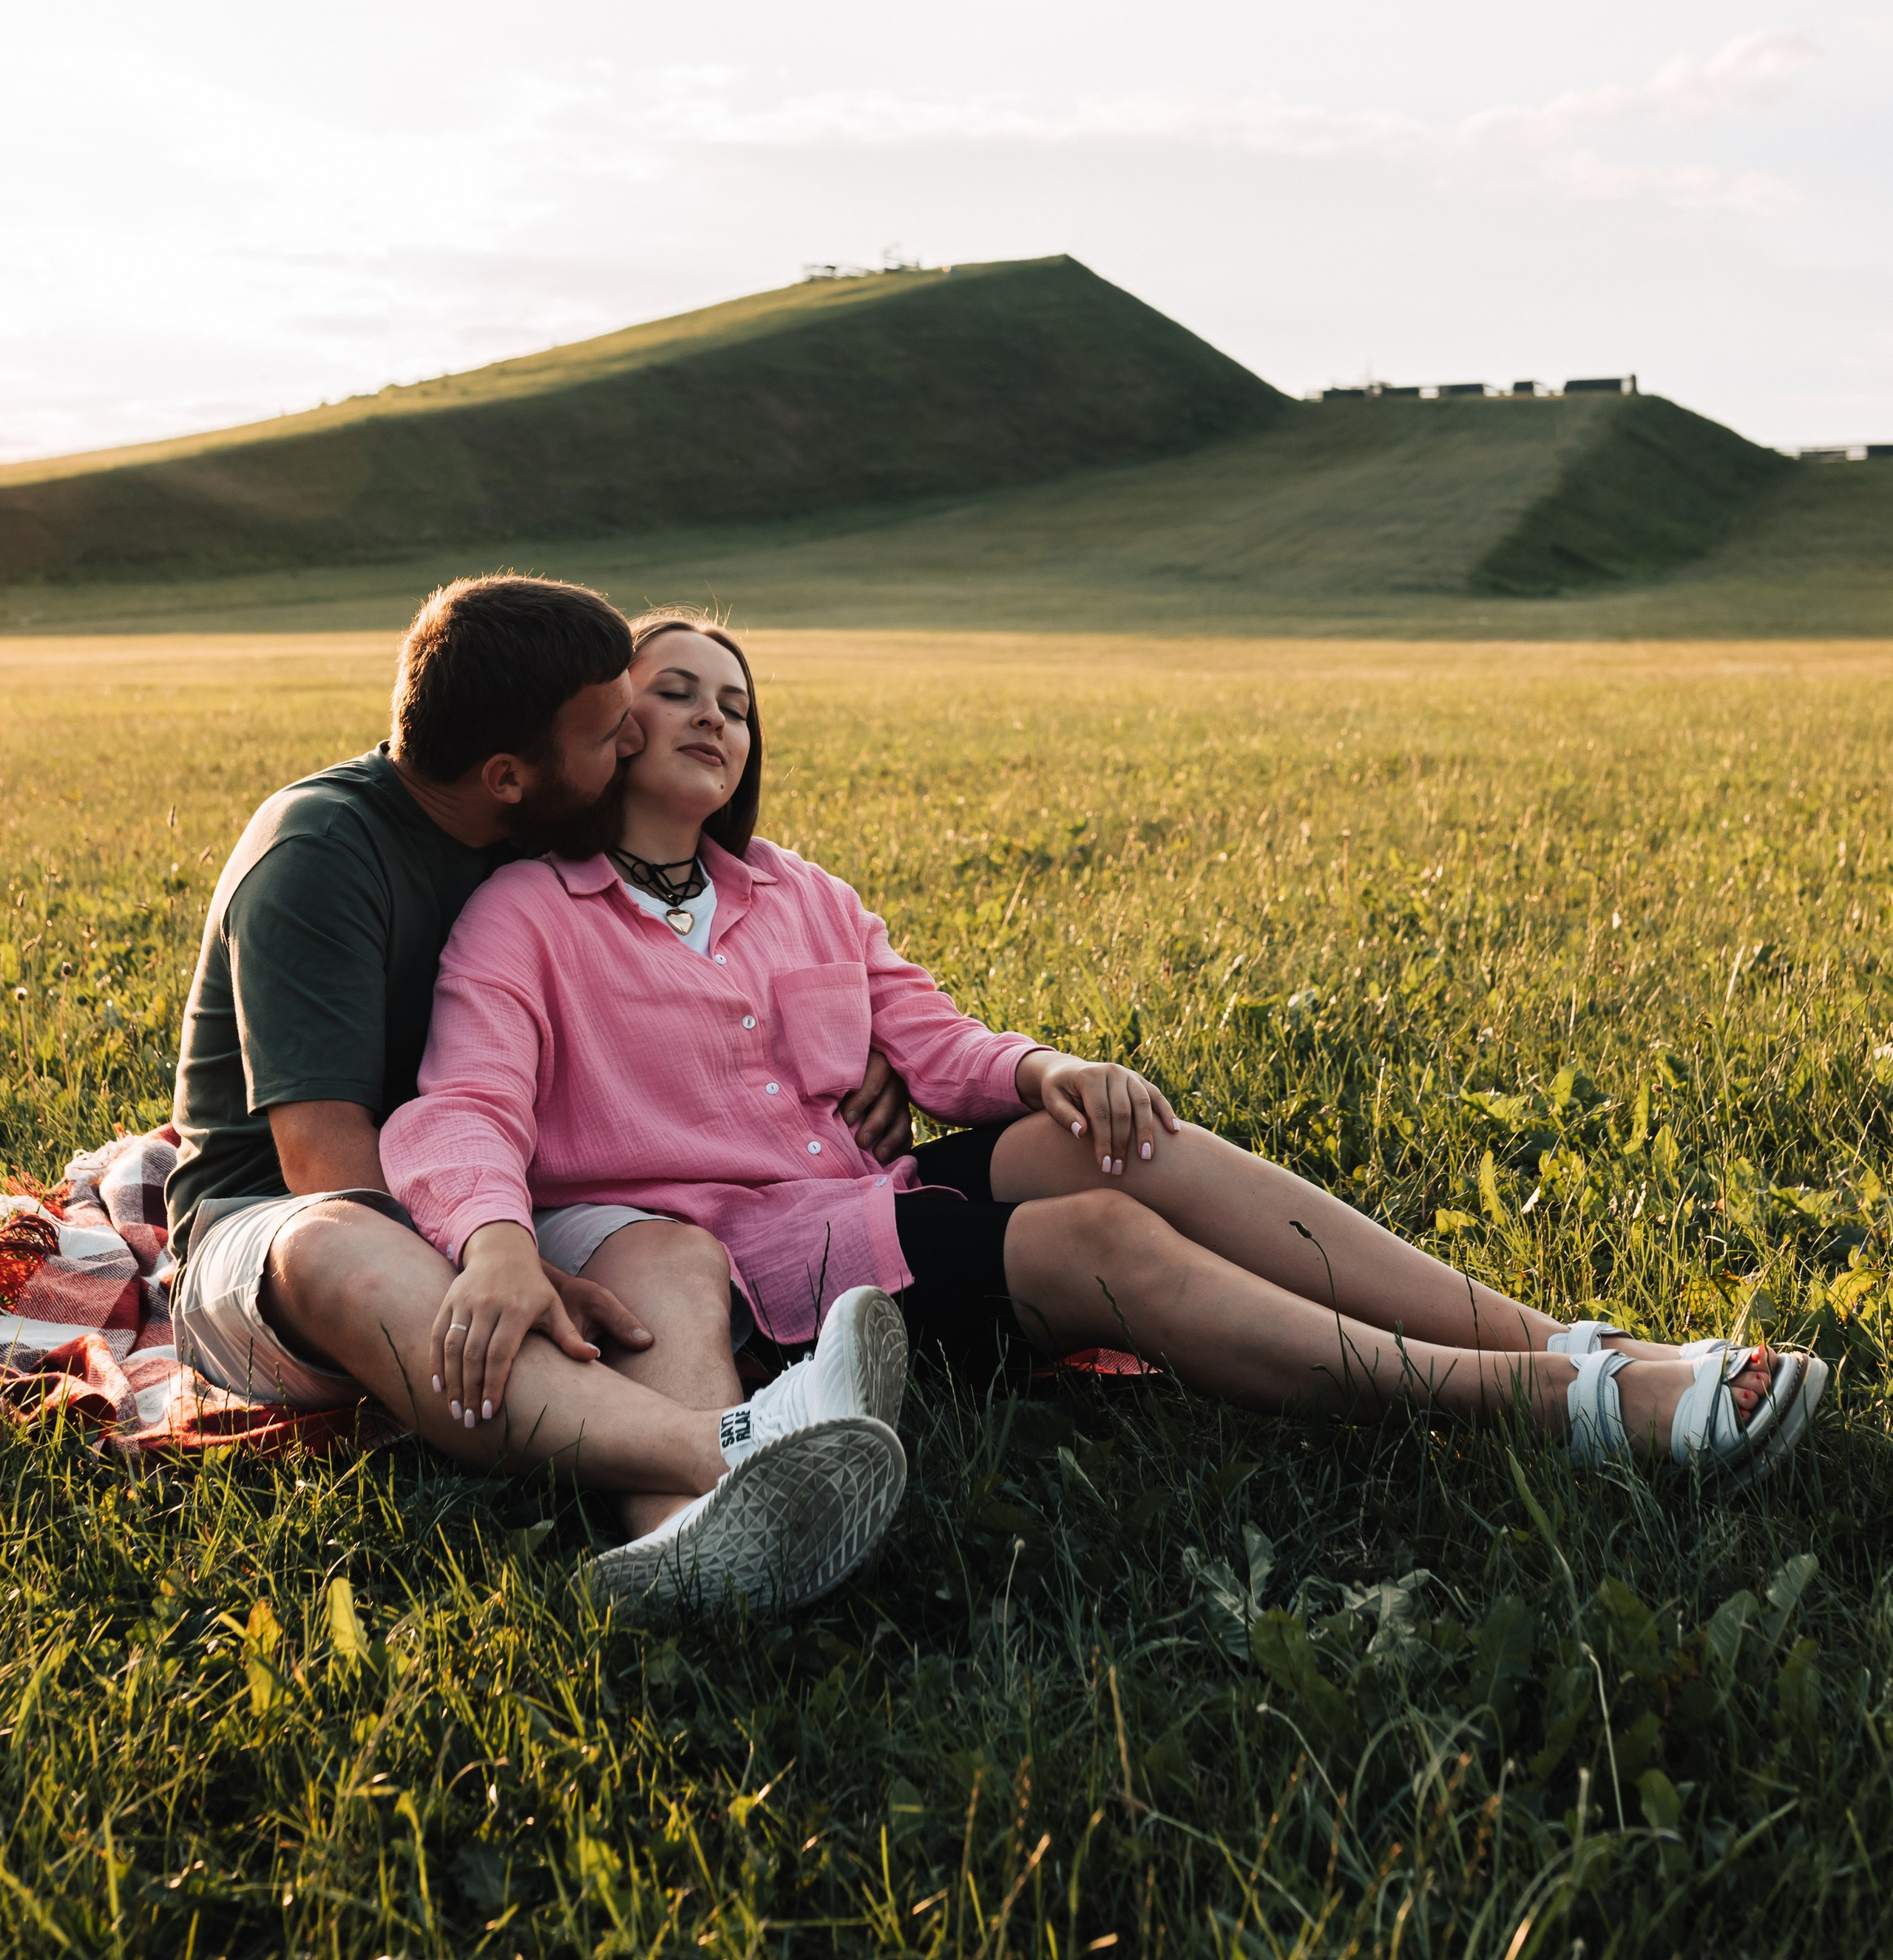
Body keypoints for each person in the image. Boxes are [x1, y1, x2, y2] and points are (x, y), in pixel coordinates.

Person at [381, 614, 1829, 1587]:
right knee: (1090, 1241)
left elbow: (939, 1048)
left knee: (1104, 1137)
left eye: (738, 704)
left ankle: (1565, 1342)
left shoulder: (803, 896)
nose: (713, 715)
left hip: (863, 1208)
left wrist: (1048, 1072)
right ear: (598, 727)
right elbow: (463, 1105)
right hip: (736, 1271)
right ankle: (1555, 1405)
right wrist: (497, 1236)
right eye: (674, 687)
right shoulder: (528, 910)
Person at [166, 575, 917, 1612]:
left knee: (660, 1249)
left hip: (488, 1193)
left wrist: (859, 1051)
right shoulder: (319, 855)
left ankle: (696, 1550)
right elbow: (323, 1164)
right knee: (335, 1236)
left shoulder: (524, 824)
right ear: (510, 776)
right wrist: (494, 1258)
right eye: (612, 731)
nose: (633, 745)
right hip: (285, 1230)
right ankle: (738, 1443)